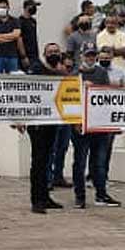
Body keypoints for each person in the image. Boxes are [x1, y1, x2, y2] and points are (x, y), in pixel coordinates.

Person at [70, 43, 121, 208]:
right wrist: (75, 121)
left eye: (93, 55)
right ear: (82, 56)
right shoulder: (74, 74)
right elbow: (69, 100)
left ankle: (101, 194)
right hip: (81, 125)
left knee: (99, 161)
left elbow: (106, 97)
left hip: (98, 124)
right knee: (80, 161)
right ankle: (80, 195)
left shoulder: (102, 72)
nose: (90, 58)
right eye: (87, 55)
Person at [27, 43, 67, 214]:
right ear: (44, 54)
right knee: (38, 161)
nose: (54, 54)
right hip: (37, 123)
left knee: (47, 159)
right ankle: (36, 199)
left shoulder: (60, 69)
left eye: (56, 52)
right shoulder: (37, 68)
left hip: (52, 120)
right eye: (50, 52)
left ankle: (45, 196)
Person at [46, 53, 75, 189]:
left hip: (67, 117)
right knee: (51, 148)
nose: (68, 69)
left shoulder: (72, 79)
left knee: (62, 148)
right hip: (54, 117)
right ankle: (48, 178)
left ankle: (58, 176)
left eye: (71, 67)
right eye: (66, 66)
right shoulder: (51, 77)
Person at [0, 0, 22, 73]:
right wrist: (10, 37)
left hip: (12, 56)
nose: (1, 9)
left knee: (13, 79)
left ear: (8, 8)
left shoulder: (15, 21)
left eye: (3, 7)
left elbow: (16, 35)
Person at [18, 0, 42, 72]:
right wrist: (23, 56)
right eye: (33, 6)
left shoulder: (33, 21)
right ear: (26, 7)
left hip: (34, 55)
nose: (35, 8)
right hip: (26, 56)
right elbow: (19, 39)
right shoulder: (19, 21)